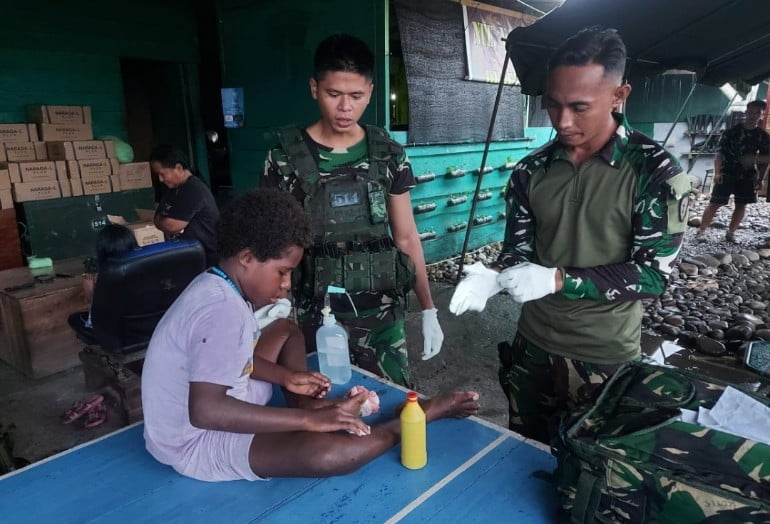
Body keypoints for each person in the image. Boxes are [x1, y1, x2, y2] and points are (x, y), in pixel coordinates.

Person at [449, 27, 688, 444]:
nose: (562, 121)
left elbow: (653, 276)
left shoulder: (655, 172)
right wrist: (493, 276)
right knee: (526, 458)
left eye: (579, 107)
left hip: (604, 358)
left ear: (619, 95)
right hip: (533, 348)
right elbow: (518, 250)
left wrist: (560, 278)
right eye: (553, 105)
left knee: (594, 477)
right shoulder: (532, 170)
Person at [141, 188, 479, 481]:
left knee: (286, 331)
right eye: (282, 272)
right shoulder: (223, 310)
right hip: (195, 440)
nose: (286, 284)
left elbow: (226, 360)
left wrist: (286, 377)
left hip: (210, 407)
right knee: (332, 455)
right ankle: (415, 417)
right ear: (246, 257)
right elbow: (206, 412)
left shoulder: (217, 284)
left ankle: (312, 408)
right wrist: (306, 420)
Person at [262, 34, 443, 386]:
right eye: (334, 94)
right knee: (325, 409)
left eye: (356, 96)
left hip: (383, 318)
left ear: (371, 92)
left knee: (392, 406)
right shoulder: (283, 159)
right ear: (315, 88)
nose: (345, 108)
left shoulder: (389, 153)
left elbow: (406, 236)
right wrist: (274, 305)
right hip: (316, 317)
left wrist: (428, 308)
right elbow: (273, 244)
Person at [695, 100, 770, 243]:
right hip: (727, 173)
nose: (753, 115)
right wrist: (717, 172)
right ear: (746, 112)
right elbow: (719, 154)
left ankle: (731, 233)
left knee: (741, 204)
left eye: (757, 113)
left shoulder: (763, 136)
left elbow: (767, 159)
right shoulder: (731, 132)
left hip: (748, 176)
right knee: (715, 203)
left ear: (761, 115)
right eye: (751, 112)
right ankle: (701, 231)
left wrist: (760, 179)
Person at [151, 145, 220, 267]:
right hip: (189, 256)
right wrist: (161, 220)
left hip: (205, 259)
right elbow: (157, 216)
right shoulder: (172, 188)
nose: (160, 179)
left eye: (162, 174)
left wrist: (161, 221)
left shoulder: (193, 189)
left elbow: (171, 225)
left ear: (178, 168)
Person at [69, 224, 139, 336]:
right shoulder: (143, 269)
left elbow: (90, 299)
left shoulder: (100, 276)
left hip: (109, 331)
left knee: (74, 318)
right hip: (139, 327)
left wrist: (88, 280)